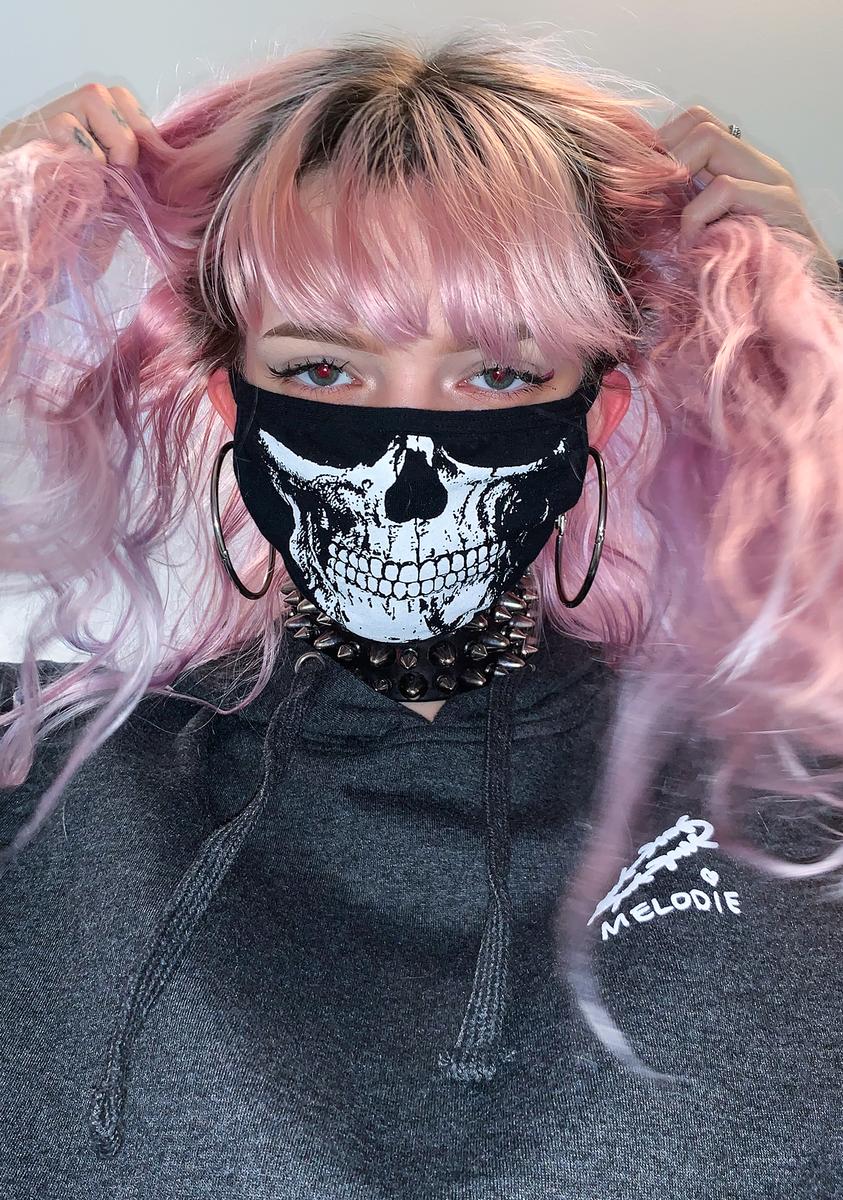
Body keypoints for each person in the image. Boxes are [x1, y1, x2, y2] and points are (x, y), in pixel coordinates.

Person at [1, 29, 843, 1199]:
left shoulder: (790, 807)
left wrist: (814, 325)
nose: (409, 475)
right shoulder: (42, 784)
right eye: (323, 372)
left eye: (498, 375)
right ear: (232, 400)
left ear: (592, 416)